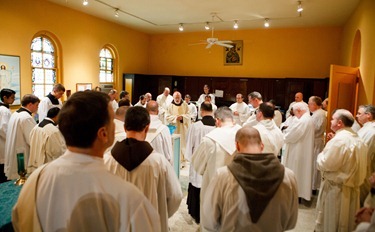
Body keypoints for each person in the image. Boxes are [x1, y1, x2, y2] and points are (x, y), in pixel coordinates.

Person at [12, 91, 161, 231]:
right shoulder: (127, 196)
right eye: (112, 121)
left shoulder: (35, 180)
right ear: (103, 134)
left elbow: (21, 223)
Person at [201, 127, 298, 231]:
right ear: (262, 146)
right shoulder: (288, 176)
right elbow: (291, 223)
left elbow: (209, 221)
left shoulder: (222, 175)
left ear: (237, 146)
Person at [104, 106, 182, 232]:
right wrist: (162, 212)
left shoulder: (107, 161)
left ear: (124, 127)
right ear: (146, 128)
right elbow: (176, 196)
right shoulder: (159, 162)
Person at [315, 109, 367, 232]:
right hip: (351, 189)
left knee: (332, 224)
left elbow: (325, 163)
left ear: (339, 123)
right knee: (346, 223)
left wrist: (320, 154)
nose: (331, 121)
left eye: (332, 119)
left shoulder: (339, 141)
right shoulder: (356, 138)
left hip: (336, 190)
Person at [192, 106, 241, 221]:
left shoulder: (210, 139)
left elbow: (198, 166)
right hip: (237, 190)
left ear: (217, 120)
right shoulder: (244, 135)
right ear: (232, 119)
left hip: (213, 188)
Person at [185, 102, 216, 224]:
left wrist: (190, 157)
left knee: (197, 184)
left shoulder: (196, 126)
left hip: (198, 162)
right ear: (212, 111)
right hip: (213, 162)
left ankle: (196, 214)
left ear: (201, 111)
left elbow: (189, 144)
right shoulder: (218, 126)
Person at [282, 102, 315, 202]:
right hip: (301, 149)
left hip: (298, 151)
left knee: (297, 171)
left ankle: (296, 194)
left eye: (295, 113)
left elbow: (292, 135)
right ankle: (298, 194)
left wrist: (284, 136)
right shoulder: (307, 119)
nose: (295, 115)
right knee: (301, 172)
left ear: (299, 111)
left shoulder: (303, 121)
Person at [4, 94, 40, 180]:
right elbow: (32, 139)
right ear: (30, 104)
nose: (37, 108)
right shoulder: (26, 117)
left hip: (14, 149)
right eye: (36, 105)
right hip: (22, 151)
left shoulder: (16, 113)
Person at [27, 107, 66, 174]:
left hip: (35, 165)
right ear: (57, 116)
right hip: (46, 167)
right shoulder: (53, 131)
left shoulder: (36, 127)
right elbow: (57, 152)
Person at [308, 96, 327, 193]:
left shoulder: (319, 114)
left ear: (314, 105)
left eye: (309, 103)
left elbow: (315, 128)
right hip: (315, 140)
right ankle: (313, 185)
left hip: (316, 140)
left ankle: (313, 186)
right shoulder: (317, 113)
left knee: (314, 163)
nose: (308, 106)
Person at [166, 91, 191, 165]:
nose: (177, 99)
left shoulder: (185, 105)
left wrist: (182, 117)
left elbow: (189, 115)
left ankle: (183, 160)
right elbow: (167, 116)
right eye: (176, 98)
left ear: (181, 97)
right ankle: (175, 160)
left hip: (183, 128)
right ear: (173, 98)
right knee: (174, 143)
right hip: (174, 128)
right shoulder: (170, 106)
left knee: (183, 143)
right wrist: (175, 118)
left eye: (178, 97)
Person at [357, 105, 375, 204]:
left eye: (359, 113)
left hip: (365, 170)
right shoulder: (365, 128)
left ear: (368, 115)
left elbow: (366, 154)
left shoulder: (372, 132)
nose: (357, 116)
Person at [0, 88, 15, 183]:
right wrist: (11, 139)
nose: (14, 99)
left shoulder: (4, 109)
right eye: (12, 97)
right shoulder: (4, 110)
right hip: (4, 142)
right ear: (5, 98)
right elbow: (3, 128)